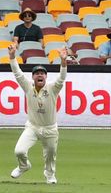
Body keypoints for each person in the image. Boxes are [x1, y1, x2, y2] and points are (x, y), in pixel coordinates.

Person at [7, 45, 67, 185]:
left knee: (50, 155)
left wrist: (63, 62)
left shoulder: (53, 88)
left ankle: (50, 176)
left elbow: (61, 78)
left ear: (46, 77)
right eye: (37, 73)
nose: (40, 75)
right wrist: (12, 56)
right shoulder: (28, 86)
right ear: (33, 77)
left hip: (50, 128)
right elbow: (18, 74)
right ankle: (23, 166)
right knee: (19, 151)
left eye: (42, 73)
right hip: (33, 127)